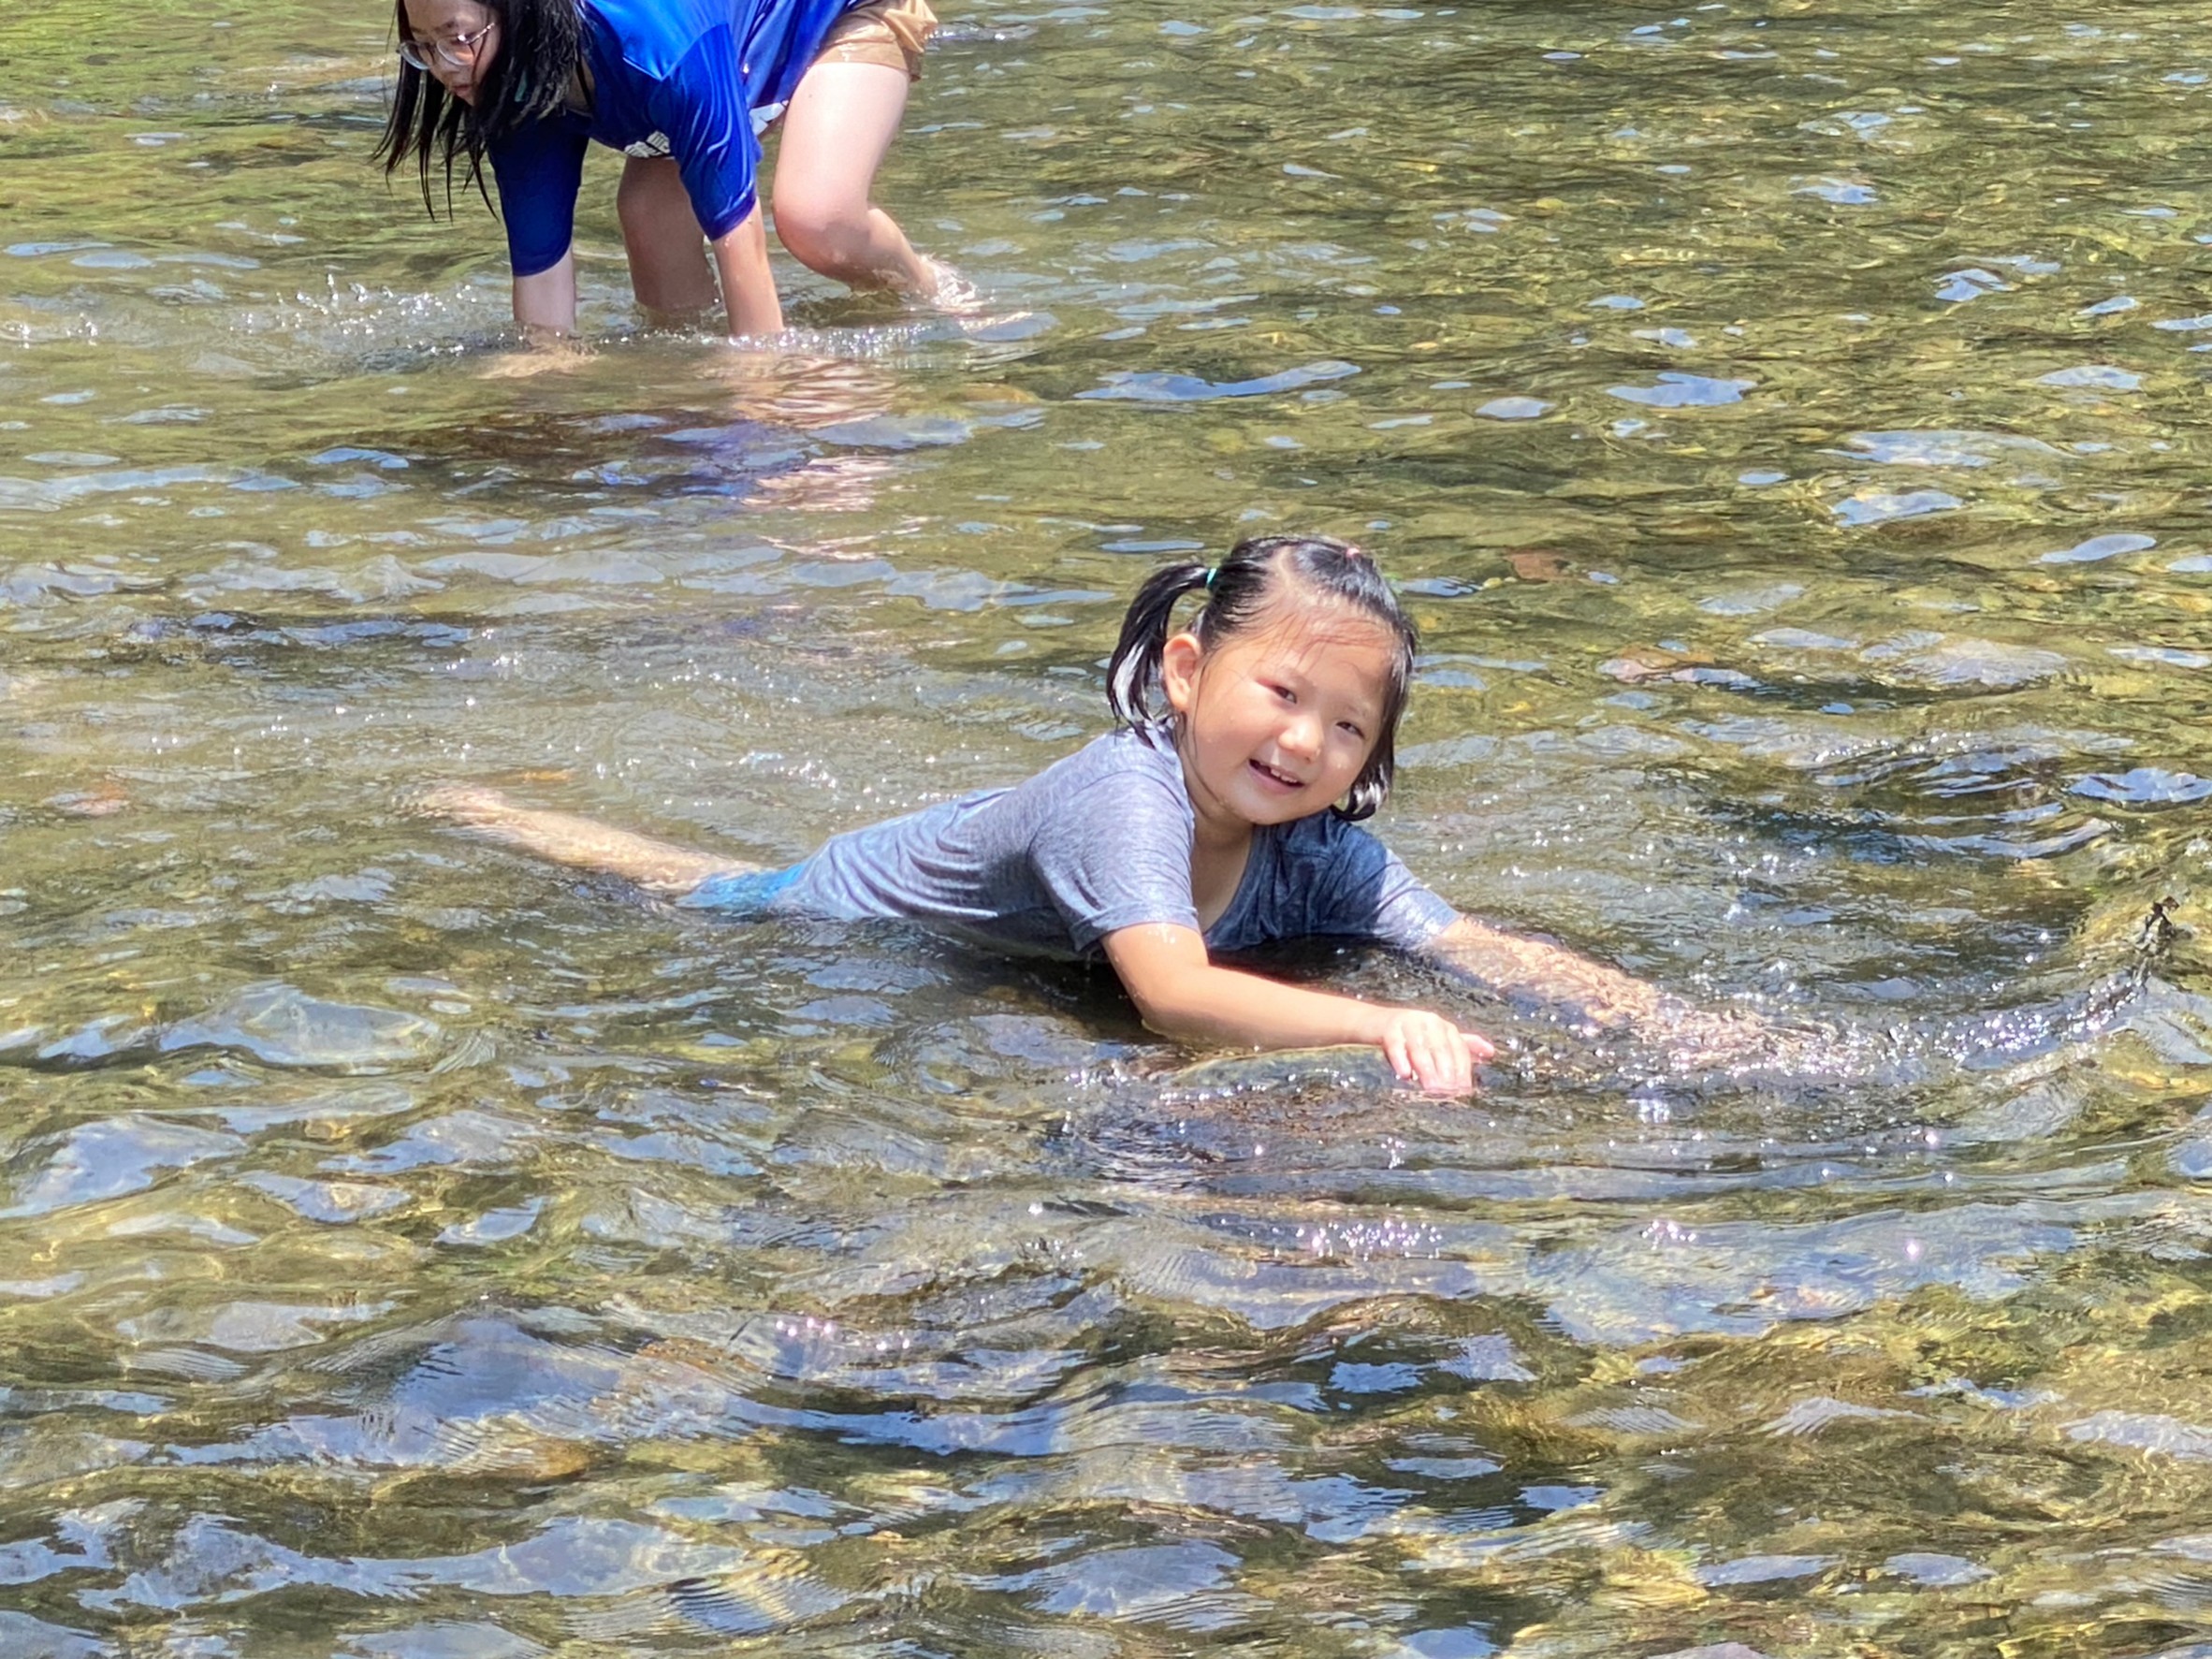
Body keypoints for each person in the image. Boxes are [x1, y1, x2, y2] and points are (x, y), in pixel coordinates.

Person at [421, 535, 1748, 1092]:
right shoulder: (1127, 791)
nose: (1306, 742)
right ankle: (486, 811)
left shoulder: (1315, 846)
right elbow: (1172, 995)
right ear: (1186, 672)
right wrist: (1380, 1022)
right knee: (687, 888)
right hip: (846, 909)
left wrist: (1664, 1018)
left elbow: (1469, 945)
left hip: (1016, 937)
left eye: (1348, 727)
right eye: (1281, 694)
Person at [373, 0, 953, 340]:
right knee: (649, 218)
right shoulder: (512, 91)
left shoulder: (659, 52)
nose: (444, 67)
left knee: (816, 218)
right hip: (727, 43)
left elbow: (740, 241)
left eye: (458, 38)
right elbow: (541, 274)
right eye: (421, 45)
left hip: (842, 14)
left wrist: (764, 402)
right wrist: (546, 397)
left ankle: (936, 290)